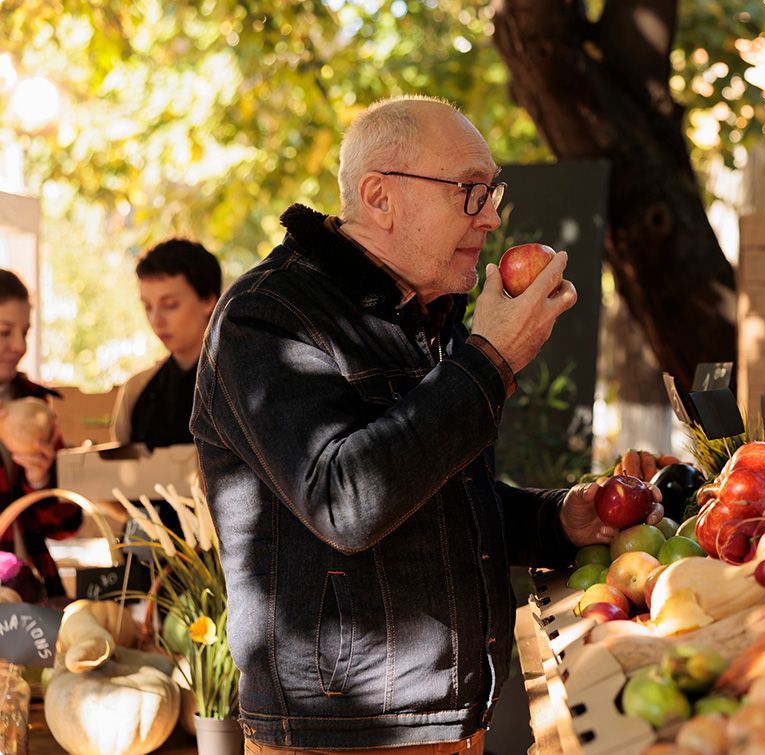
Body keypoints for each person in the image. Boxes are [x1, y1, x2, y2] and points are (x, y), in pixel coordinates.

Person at [191, 96, 663, 752]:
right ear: (379, 196)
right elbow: (344, 500)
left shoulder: (426, 312)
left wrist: (557, 519)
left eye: (491, 191)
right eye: (470, 190)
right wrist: (489, 359)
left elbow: (435, 497)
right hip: (345, 734)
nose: (493, 216)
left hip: (457, 715)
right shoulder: (266, 317)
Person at [0, 270, 80, 599]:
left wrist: (40, 481)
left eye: (25, 332)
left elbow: (65, 525)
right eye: (5, 332)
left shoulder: (38, 405)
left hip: (34, 590)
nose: (20, 346)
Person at [112, 238, 221, 449]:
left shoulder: (246, 382)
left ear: (208, 299)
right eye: (147, 307)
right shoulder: (136, 392)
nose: (156, 320)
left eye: (170, 305)